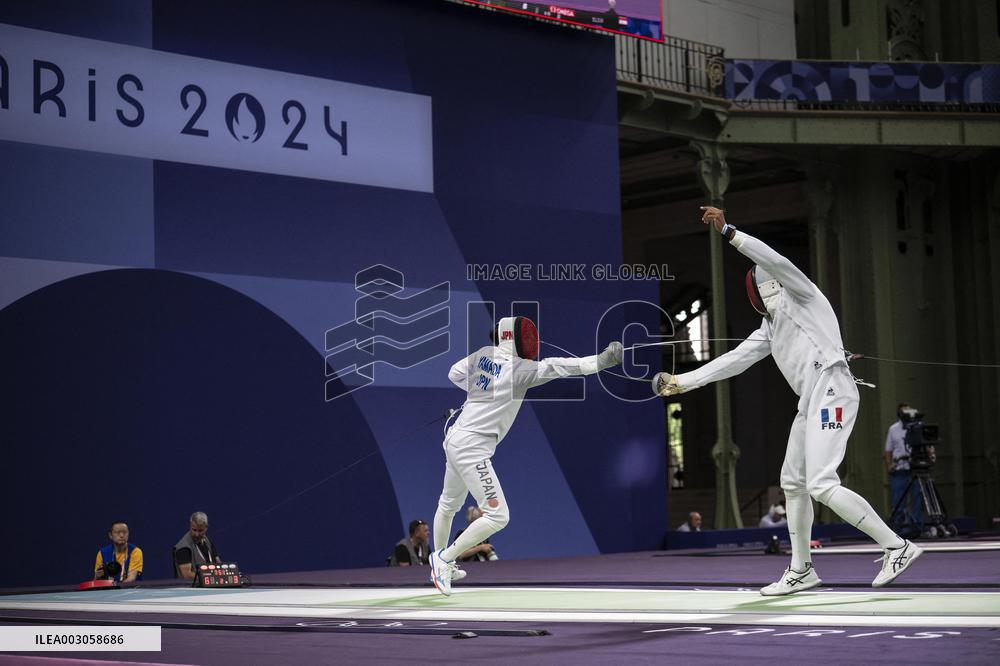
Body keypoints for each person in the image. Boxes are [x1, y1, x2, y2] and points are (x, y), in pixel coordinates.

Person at [653, 206, 923, 595]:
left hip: (833, 388)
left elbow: (775, 261)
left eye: (761, 288)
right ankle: (801, 570)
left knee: (821, 483)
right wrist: (680, 383)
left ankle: (896, 547)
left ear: (771, 286)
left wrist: (730, 232)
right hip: (809, 402)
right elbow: (731, 362)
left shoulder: (804, 295)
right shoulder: (769, 329)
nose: (759, 296)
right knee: (792, 483)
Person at [429, 316, 623, 595]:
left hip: (456, 438)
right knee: (498, 516)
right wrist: (602, 361)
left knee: (448, 504)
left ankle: (438, 559)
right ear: (516, 338)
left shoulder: (483, 354)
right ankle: (444, 560)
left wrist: (480, 392)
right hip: (472, 447)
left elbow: (454, 374)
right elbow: (560, 367)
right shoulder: (520, 370)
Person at [885, 403, 923, 529]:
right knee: (898, 498)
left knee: (917, 497)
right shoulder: (893, 429)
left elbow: (926, 443)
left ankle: (917, 525)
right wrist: (889, 465)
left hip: (915, 467)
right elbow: (888, 450)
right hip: (899, 468)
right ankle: (899, 526)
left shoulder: (918, 426)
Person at [173, 511, 222, 580]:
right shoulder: (183, 547)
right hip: (191, 588)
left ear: (206, 527)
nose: (197, 534)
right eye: (194, 530)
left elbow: (218, 562)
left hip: (208, 585)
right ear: (190, 526)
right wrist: (210, 577)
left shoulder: (206, 540)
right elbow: (187, 575)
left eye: (200, 530)